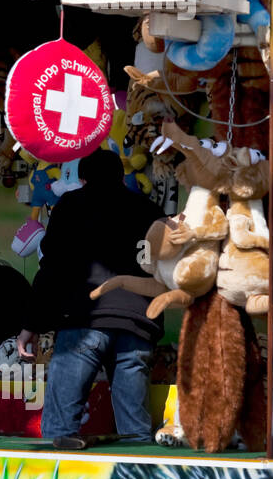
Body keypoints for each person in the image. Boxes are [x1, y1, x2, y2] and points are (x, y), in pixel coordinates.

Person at [19, 148, 165, 442]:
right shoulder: (148, 210)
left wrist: (31, 325)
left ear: (82, 179)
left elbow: (52, 268)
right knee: (136, 432)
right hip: (137, 323)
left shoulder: (71, 205)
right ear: (121, 177)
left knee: (59, 429)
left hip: (83, 323)